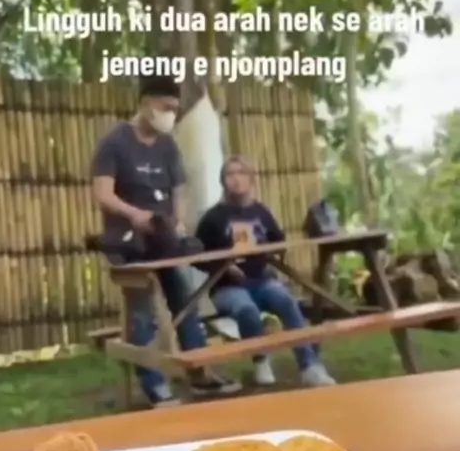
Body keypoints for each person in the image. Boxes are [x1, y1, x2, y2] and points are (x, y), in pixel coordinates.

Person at [91, 76, 239, 405]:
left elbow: (178, 189)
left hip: (164, 239)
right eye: (166, 107)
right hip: (128, 241)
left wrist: (177, 221)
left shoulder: (168, 146)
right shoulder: (114, 143)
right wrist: (135, 215)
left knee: (184, 301)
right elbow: (103, 194)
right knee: (141, 312)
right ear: (146, 104)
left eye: (175, 109)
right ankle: (154, 384)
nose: (170, 114)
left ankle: (199, 371)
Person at [195, 155, 336, 389]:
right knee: (247, 309)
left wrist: (275, 255)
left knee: (287, 302)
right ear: (222, 181)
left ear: (251, 180)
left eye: (241, 173)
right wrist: (223, 266)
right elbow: (196, 255)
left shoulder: (261, 212)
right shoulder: (212, 218)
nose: (236, 179)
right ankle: (260, 360)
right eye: (230, 174)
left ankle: (309, 366)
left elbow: (278, 240)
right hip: (227, 286)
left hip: (261, 280)